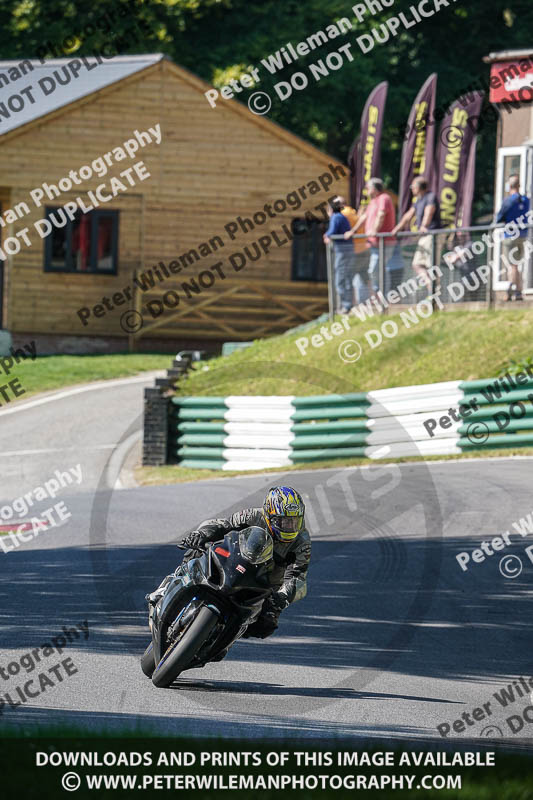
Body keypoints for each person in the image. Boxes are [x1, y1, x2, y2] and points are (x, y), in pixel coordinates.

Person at [147, 486, 311, 648]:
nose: (290, 527)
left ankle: (224, 640)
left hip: (265, 584)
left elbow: (298, 578)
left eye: (294, 521)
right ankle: (170, 584)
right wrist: (202, 534)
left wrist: (282, 597)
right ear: (269, 514)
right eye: (283, 521)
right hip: (236, 562)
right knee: (197, 550)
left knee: (266, 625)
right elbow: (222, 524)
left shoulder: (302, 541)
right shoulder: (253, 515)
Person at [344, 178, 397, 298]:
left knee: (376, 269)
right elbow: (363, 218)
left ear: (374, 188)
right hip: (374, 243)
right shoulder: (373, 201)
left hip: (384, 241)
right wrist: (353, 231)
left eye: (368, 187)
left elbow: (381, 215)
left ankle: (384, 295)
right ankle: (382, 295)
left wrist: (375, 230)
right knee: (377, 269)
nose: (366, 190)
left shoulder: (384, 198)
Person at [392, 176, 441, 291]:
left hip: (432, 235)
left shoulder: (430, 197)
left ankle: (435, 293)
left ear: (419, 187)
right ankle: (432, 289)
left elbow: (429, 211)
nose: (411, 189)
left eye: (413, 187)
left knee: (431, 265)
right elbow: (408, 216)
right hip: (425, 236)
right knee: (417, 264)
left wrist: (424, 225)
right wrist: (396, 230)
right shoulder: (419, 200)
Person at [496, 174, 530, 301]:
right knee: (516, 265)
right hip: (523, 235)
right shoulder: (526, 200)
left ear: (509, 186)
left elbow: (499, 218)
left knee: (512, 266)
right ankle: (517, 291)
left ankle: (514, 291)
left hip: (510, 236)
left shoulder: (508, 201)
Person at [323, 197, 355, 313]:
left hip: (342, 252)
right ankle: (347, 305)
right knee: (346, 278)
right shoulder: (342, 216)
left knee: (340, 279)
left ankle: (345, 306)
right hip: (347, 251)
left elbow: (332, 232)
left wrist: (326, 236)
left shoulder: (336, 217)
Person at [337, 195, 369, 303]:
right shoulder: (352, 211)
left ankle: (352, 304)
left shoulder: (343, 214)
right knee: (364, 277)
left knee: (348, 277)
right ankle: (376, 300)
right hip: (363, 249)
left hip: (353, 251)